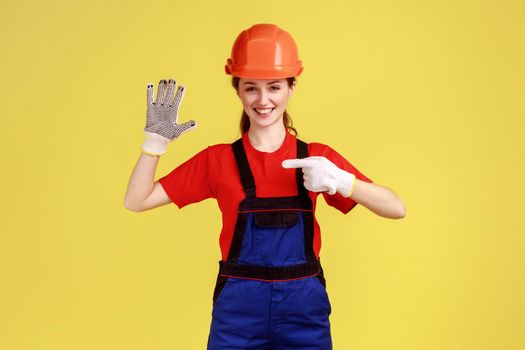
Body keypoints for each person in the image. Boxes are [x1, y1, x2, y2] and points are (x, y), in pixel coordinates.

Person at [124, 23, 406, 350]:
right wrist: (154, 145)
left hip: (304, 313)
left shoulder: (317, 159)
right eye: (251, 88)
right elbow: (136, 200)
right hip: (238, 316)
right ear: (238, 91)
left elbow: (396, 208)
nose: (262, 100)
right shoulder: (218, 161)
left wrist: (342, 181)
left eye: (273, 87)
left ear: (291, 88)